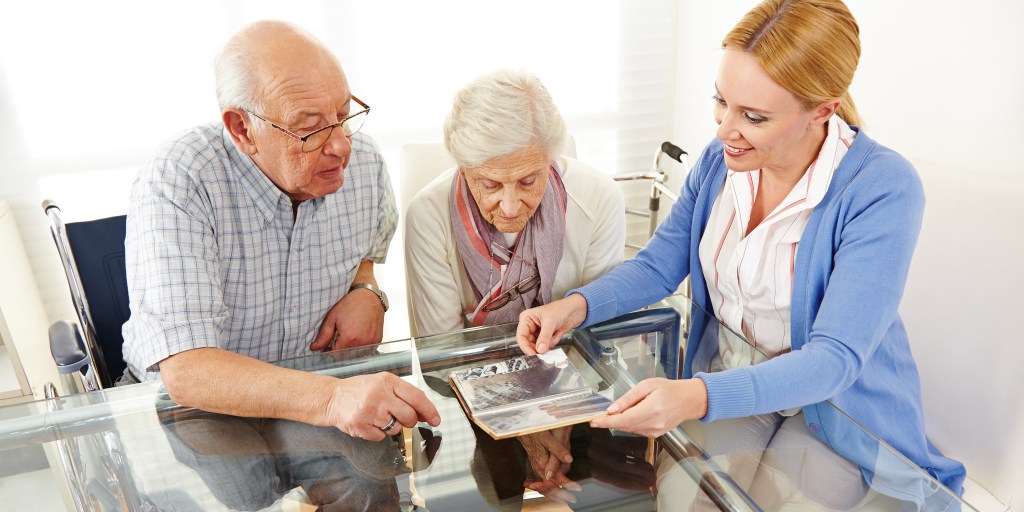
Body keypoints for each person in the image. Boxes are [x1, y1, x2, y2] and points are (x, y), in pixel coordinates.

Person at [516, 0, 966, 505]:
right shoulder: (719, 161)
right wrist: (573, 307)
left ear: (823, 109)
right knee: (685, 502)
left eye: (753, 116)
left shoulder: (881, 187)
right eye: (720, 101)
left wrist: (694, 396)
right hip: (732, 381)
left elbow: (835, 358)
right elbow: (659, 264)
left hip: (833, 406)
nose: (723, 129)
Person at [120, 20, 439, 510]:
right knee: (249, 501)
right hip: (203, 405)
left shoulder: (365, 165)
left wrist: (367, 289)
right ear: (242, 129)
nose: (340, 145)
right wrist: (334, 400)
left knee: (374, 481)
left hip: (311, 375)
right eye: (310, 128)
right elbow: (187, 371)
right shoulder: (181, 180)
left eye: (343, 113)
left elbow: (365, 256)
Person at [403, 69, 625, 499]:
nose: (509, 206)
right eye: (489, 184)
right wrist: (525, 429)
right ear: (464, 169)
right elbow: (442, 357)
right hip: (469, 403)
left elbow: (596, 336)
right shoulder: (428, 215)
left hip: (577, 397)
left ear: (551, 160)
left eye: (528, 181)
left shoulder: (598, 198)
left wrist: (552, 424)